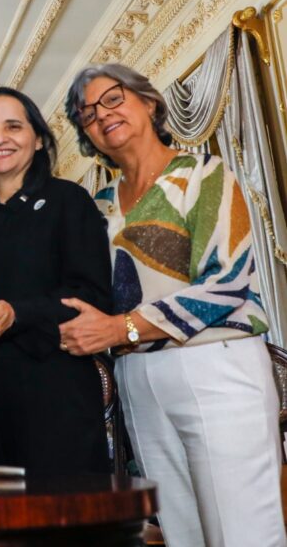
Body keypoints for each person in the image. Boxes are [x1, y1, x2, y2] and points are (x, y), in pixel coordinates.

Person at [59, 63, 286, 546]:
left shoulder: (205, 173)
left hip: (215, 364)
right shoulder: (98, 205)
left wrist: (122, 329)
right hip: (136, 376)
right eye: (87, 113)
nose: (102, 115)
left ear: (149, 102)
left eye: (113, 98)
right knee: (181, 534)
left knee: (242, 532)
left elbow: (226, 283)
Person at [0, 87, 111, 474]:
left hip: (55, 395)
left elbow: (91, 294)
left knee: (60, 509)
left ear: (38, 139)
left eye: (13, 126)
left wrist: (17, 313)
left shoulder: (68, 200)